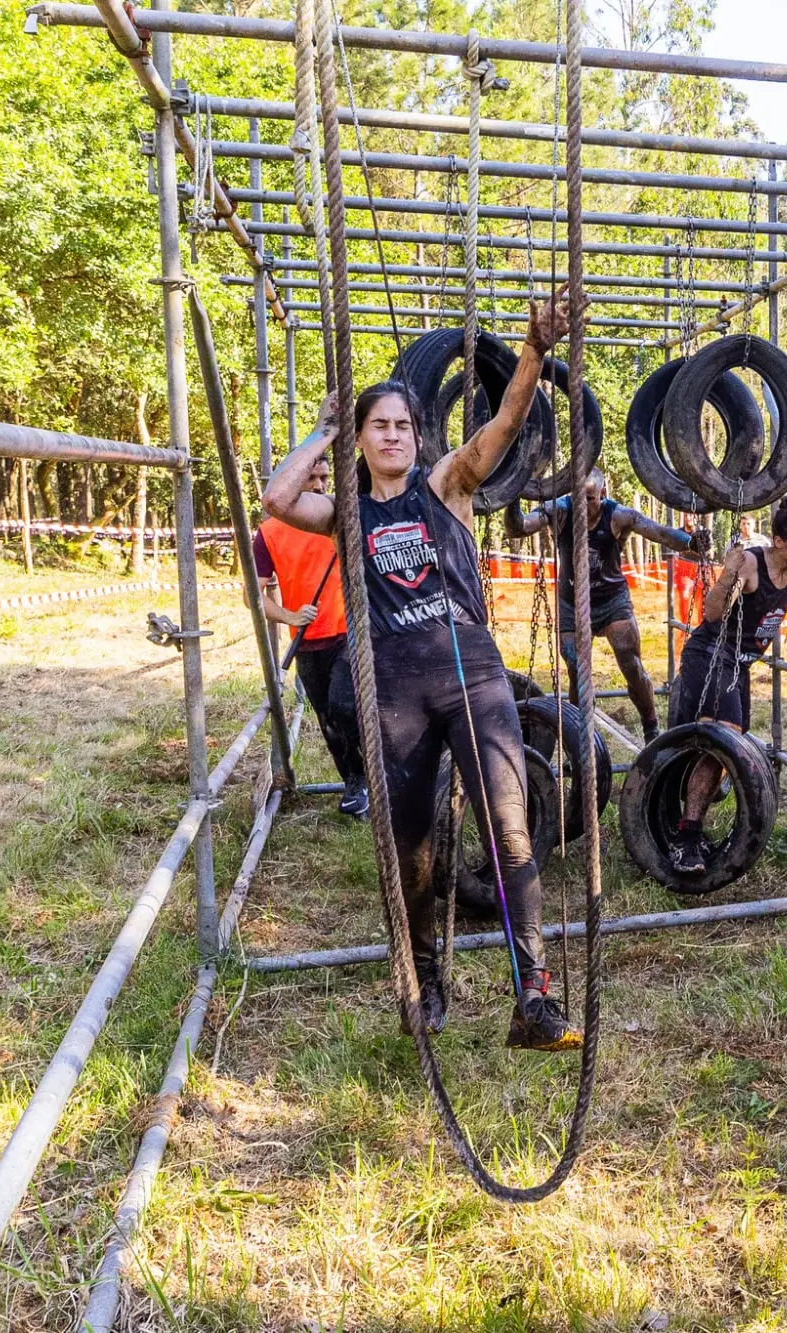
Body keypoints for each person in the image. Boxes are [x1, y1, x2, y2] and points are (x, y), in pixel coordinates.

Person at [263, 285, 581, 1052]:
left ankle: (532, 992)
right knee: (411, 852)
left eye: (403, 424)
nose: (396, 435)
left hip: (471, 674)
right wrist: (324, 428)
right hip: (395, 688)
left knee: (509, 828)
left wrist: (534, 348)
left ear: (418, 435)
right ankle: (427, 975)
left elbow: (504, 425)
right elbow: (276, 497)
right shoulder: (347, 508)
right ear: (365, 440)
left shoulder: (448, 487)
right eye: (381, 426)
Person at [668, 495, 787, 874]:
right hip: (711, 655)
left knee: (726, 741)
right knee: (725, 736)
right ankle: (686, 837)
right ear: (779, 543)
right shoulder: (753, 565)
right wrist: (728, 572)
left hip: (738, 664)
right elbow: (712, 613)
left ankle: (695, 805)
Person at [505, 469, 706, 744]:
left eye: (589, 499)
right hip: (571, 602)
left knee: (631, 663)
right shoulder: (559, 511)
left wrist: (690, 542)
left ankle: (650, 728)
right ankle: (580, 741)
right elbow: (517, 528)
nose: (583, 506)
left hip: (612, 600)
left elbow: (659, 532)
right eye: (578, 498)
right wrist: (512, 492)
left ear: (602, 494)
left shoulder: (619, 515)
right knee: (576, 668)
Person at [254, 454, 367, 818]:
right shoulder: (269, 532)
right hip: (308, 641)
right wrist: (289, 615)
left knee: (345, 705)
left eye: (324, 477)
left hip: (352, 634)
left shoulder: (342, 516)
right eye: (311, 478)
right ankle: (355, 783)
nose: (319, 486)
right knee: (329, 721)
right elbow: (253, 595)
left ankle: (376, 776)